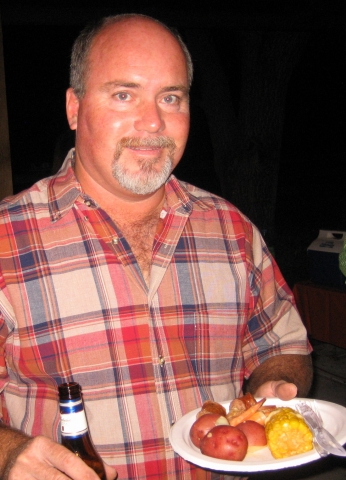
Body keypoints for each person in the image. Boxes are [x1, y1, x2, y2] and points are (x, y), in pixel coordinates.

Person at [0, 13, 312, 480]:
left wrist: (276, 387)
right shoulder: (7, 238)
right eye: (124, 94)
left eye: (171, 97)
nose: (153, 121)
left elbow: (284, 344)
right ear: (73, 107)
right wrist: (8, 452)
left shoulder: (232, 230)